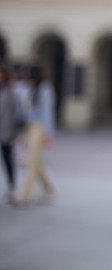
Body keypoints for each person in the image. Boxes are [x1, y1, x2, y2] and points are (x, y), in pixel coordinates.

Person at [19, 66, 55, 207]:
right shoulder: (31, 88)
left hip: (39, 127)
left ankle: (26, 195)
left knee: (31, 162)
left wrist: (48, 134)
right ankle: (48, 188)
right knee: (35, 160)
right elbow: (26, 108)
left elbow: (47, 112)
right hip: (29, 126)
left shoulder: (45, 89)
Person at [0, 64, 19, 205]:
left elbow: (15, 113)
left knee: (8, 159)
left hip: (5, 131)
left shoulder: (10, 92)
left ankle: (12, 187)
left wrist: (14, 131)